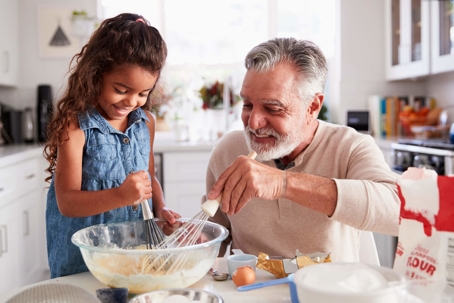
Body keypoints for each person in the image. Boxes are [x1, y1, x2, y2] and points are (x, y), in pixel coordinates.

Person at [205, 38, 400, 261]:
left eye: (273, 108)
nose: (253, 122)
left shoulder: (350, 147)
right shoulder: (228, 150)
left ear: (313, 107)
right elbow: (215, 233)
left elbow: (399, 211)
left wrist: (283, 183)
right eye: (248, 105)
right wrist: (196, 240)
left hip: (328, 292)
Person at [43, 13, 180, 278]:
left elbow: (149, 177)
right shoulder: (75, 126)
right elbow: (67, 202)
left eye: (142, 94)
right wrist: (120, 195)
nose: (131, 101)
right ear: (96, 74)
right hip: (82, 260)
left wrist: (161, 208)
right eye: (120, 89)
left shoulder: (145, 123)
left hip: (133, 253)